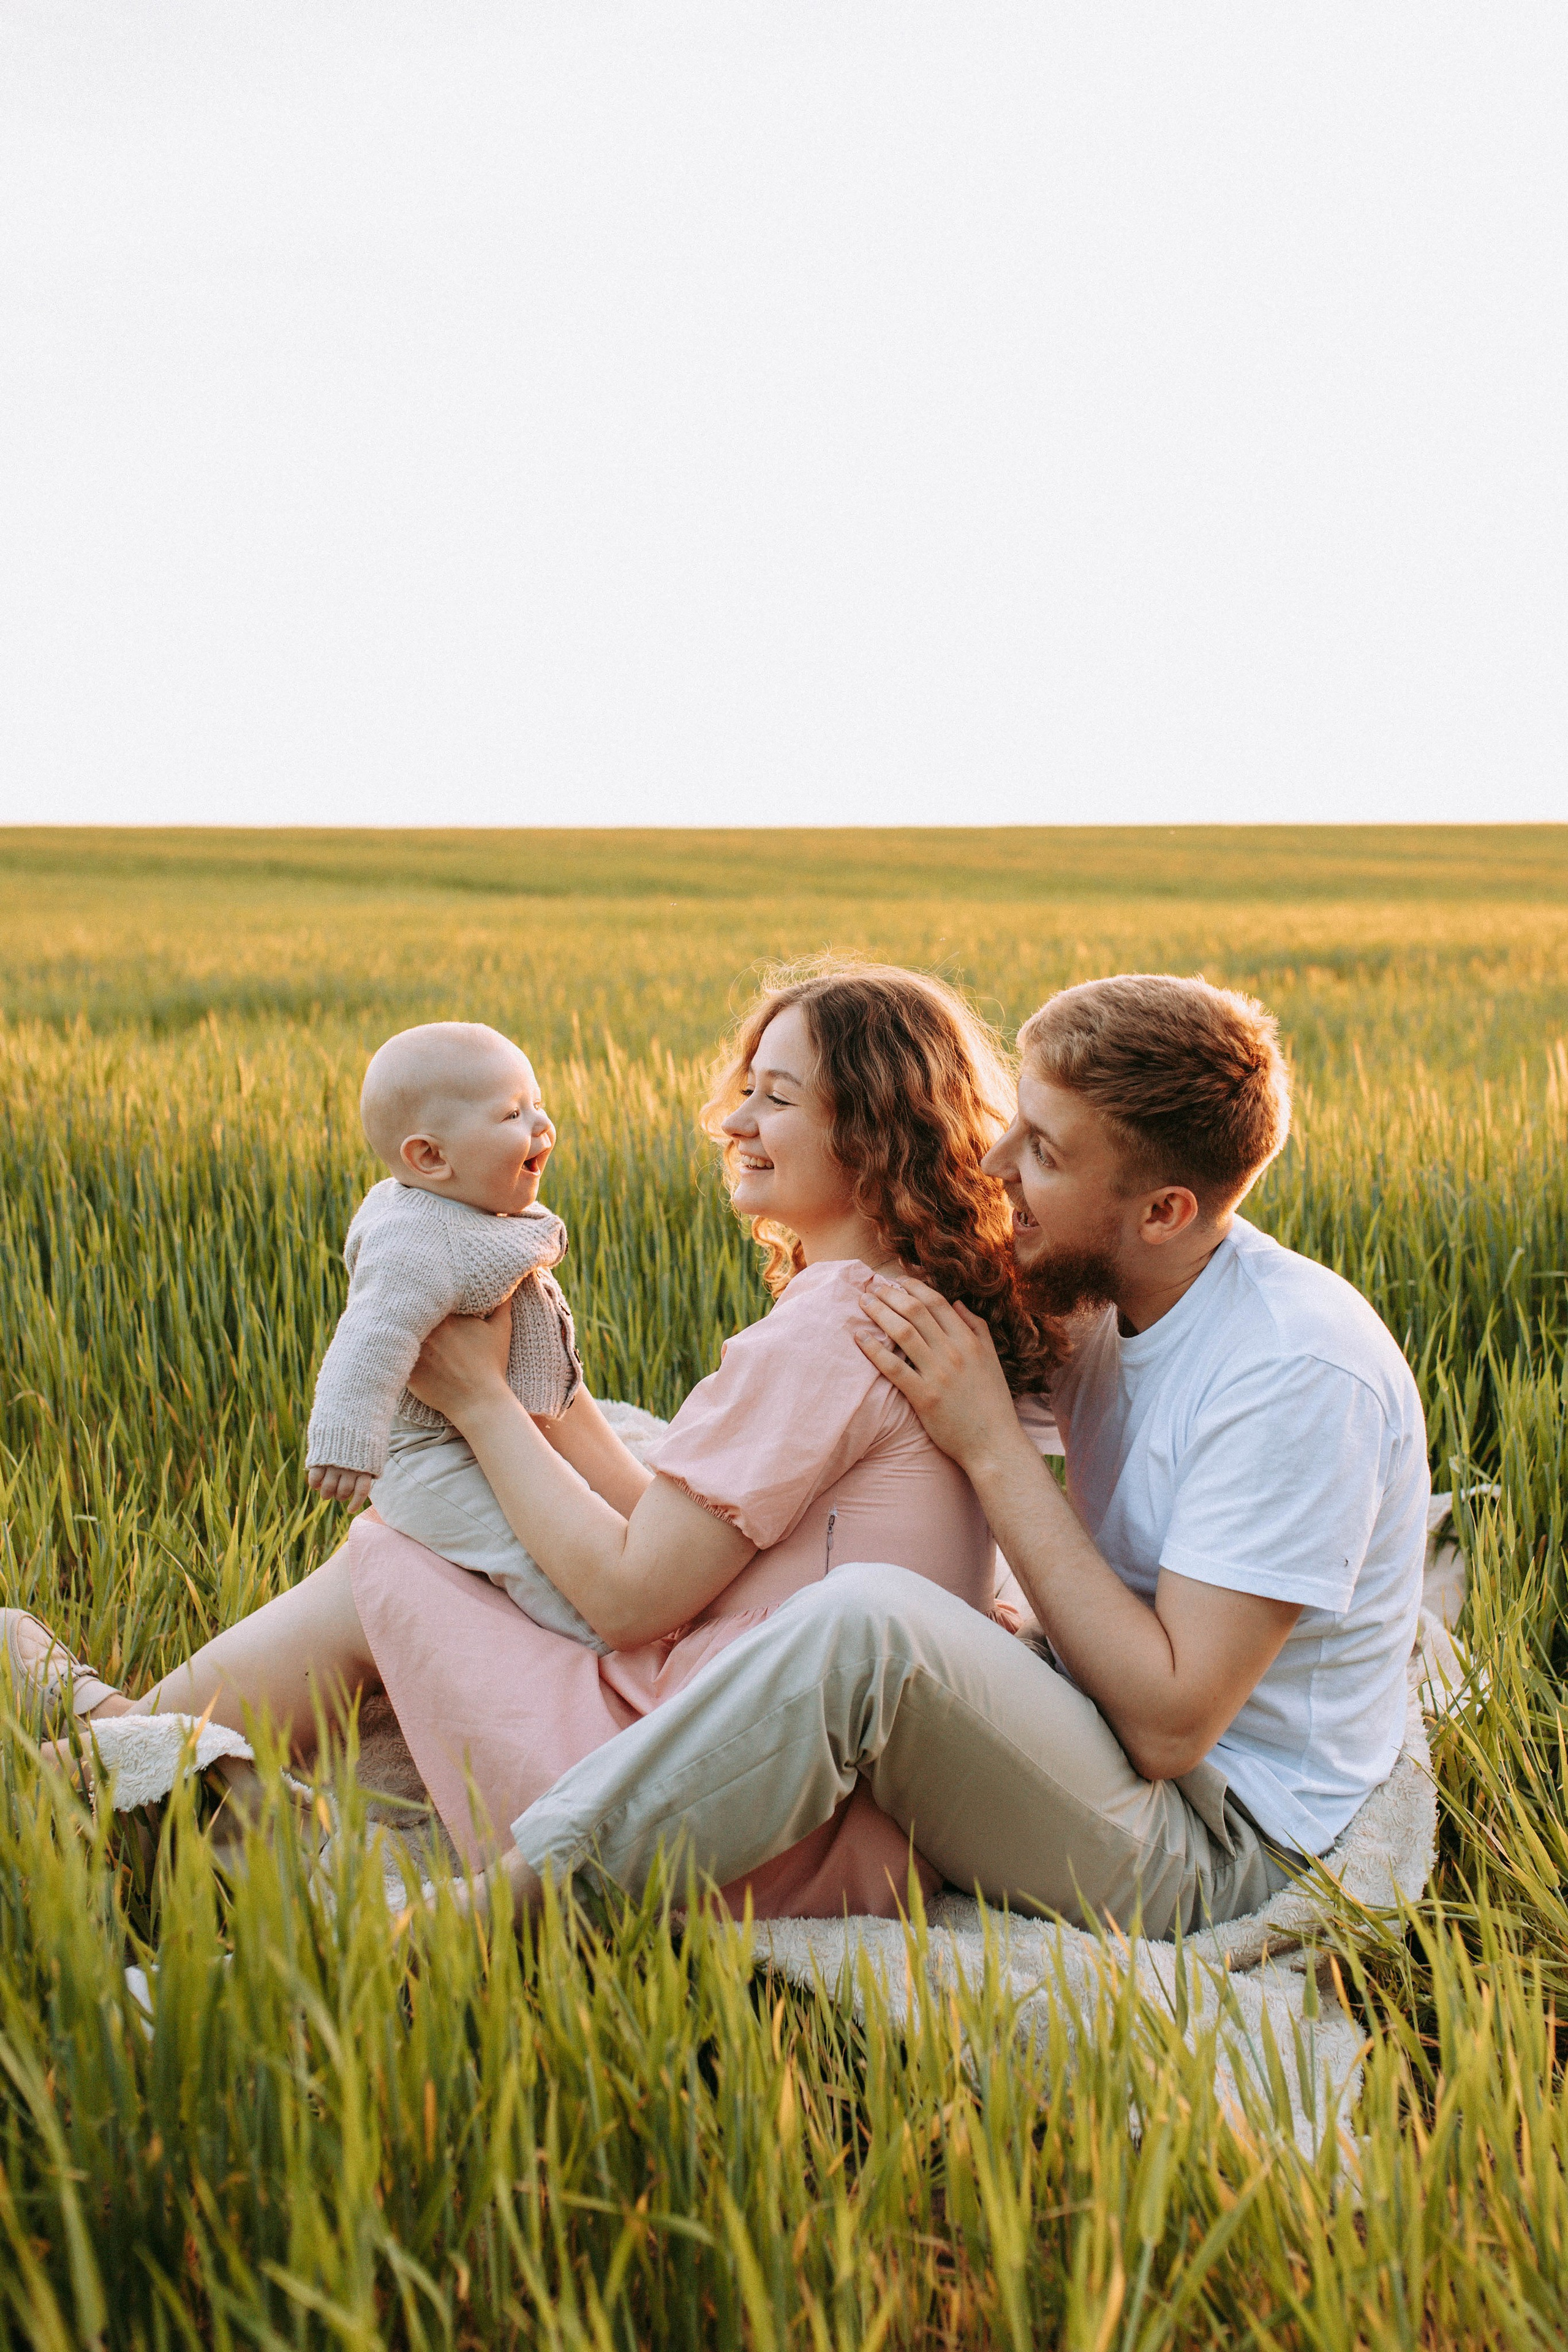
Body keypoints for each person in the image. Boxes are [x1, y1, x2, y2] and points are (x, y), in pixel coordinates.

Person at [3, 965, 1057, 1918]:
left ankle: (99, 1761)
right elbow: (680, 1525)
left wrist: (477, 1401)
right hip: (852, 1824)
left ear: (873, 1130)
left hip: (727, 1807)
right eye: (747, 1088)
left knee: (396, 1552)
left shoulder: (831, 1330)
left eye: (775, 1098)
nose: (735, 1120)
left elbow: (635, 1597)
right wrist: (544, 1397)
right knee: (482, 1526)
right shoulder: (908, 1301)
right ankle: (118, 1745)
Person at [475, 974, 1430, 1938]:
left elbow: (1172, 1728)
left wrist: (989, 1443)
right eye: (1017, 1122)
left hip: (1215, 1843)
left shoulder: (1296, 1374)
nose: (997, 1160)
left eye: (1046, 1153)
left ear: (1164, 1212)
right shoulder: (1107, 1294)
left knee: (869, 1626)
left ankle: (503, 1915)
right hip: (1087, 1720)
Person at [305, 1019, 612, 1646]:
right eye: (511, 1114)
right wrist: (345, 1440)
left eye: (537, 1104)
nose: (541, 1125)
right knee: (533, 1560)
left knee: (573, 1519)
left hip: (477, 1435)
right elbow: (369, 1339)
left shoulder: (467, 1207)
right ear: (431, 1157)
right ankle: (604, 1641)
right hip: (425, 1459)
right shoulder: (414, 1240)